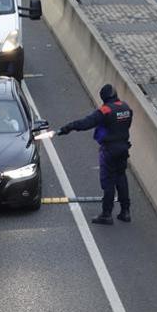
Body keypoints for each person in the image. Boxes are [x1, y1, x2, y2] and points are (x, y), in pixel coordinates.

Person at [56, 84, 133, 225]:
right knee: (121, 178)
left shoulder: (105, 111)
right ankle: (125, 211)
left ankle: (106, 214)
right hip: (123, 149)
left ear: (104, 97)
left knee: (108, 182)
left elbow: (86, 123)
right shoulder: (126, 108)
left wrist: (67, 128)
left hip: (109, 150)